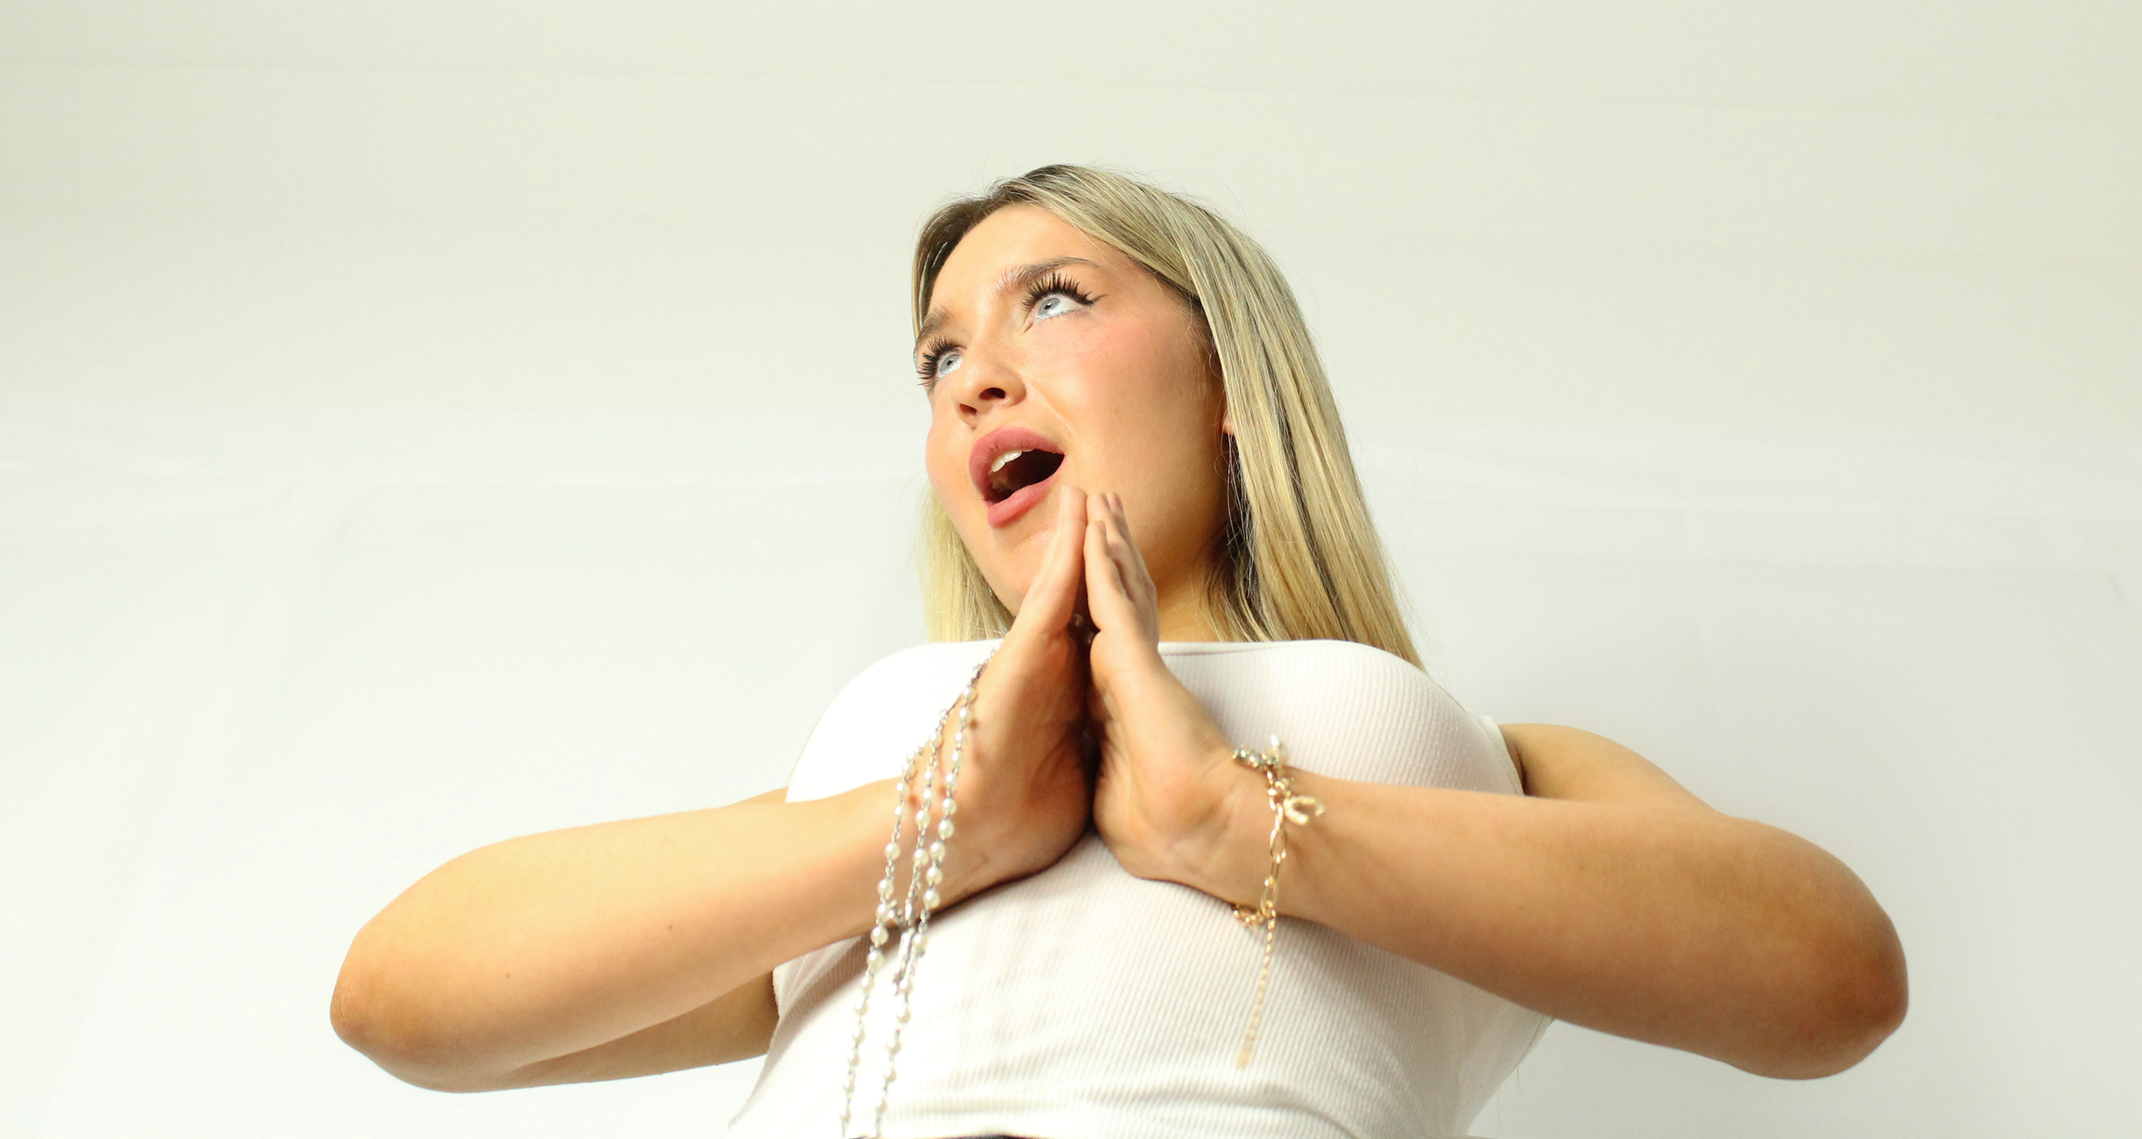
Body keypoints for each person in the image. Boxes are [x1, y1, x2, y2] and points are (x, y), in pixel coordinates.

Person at [330, 164, 1908, 1135]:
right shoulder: (892, 766)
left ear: (1232, 378)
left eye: (1053, 301)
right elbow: (405, 997)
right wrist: (939, 819)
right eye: (940, 351)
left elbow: (1829, 977)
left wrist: (1233, 817)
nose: (967, 378)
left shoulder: (1501, 762)